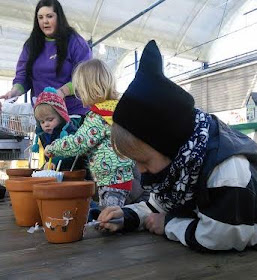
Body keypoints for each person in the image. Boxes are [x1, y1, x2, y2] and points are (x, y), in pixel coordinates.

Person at [96, 40, 257, 252]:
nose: (140, 170)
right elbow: (158, 206)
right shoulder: (182, 163)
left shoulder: (227, 169)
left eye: (143, 161)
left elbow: (223, 236)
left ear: (169, 143)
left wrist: (170, 224)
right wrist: (127, 216)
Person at [44, 59, 135, 207]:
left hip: (111, 179)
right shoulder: (116, 109)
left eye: (79, 90)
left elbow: (79, 143)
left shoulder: (98, 116)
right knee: (111, 213)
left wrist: (53, 147)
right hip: (121, 176)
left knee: (110, 218)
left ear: (89, 89)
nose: (78, 95)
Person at [0, 0, 92, 118]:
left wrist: (61, 92)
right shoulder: (31, 45)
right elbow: (22, 77)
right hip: (44, 117)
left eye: (49, 16)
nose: (45, 21)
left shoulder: (75, 42)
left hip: (73, 114)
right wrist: (14, 92)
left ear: (59, 17)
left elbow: (86, 77)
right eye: (40, 17)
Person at [33, 87, 84, 170]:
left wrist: (54, 162)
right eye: (42, 122)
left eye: (50, 120)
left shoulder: (69, 132)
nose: (46, 124)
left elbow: (70, 153)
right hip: (57, 171)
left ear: (61, 117)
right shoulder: (43, 134)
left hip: (74, 171)